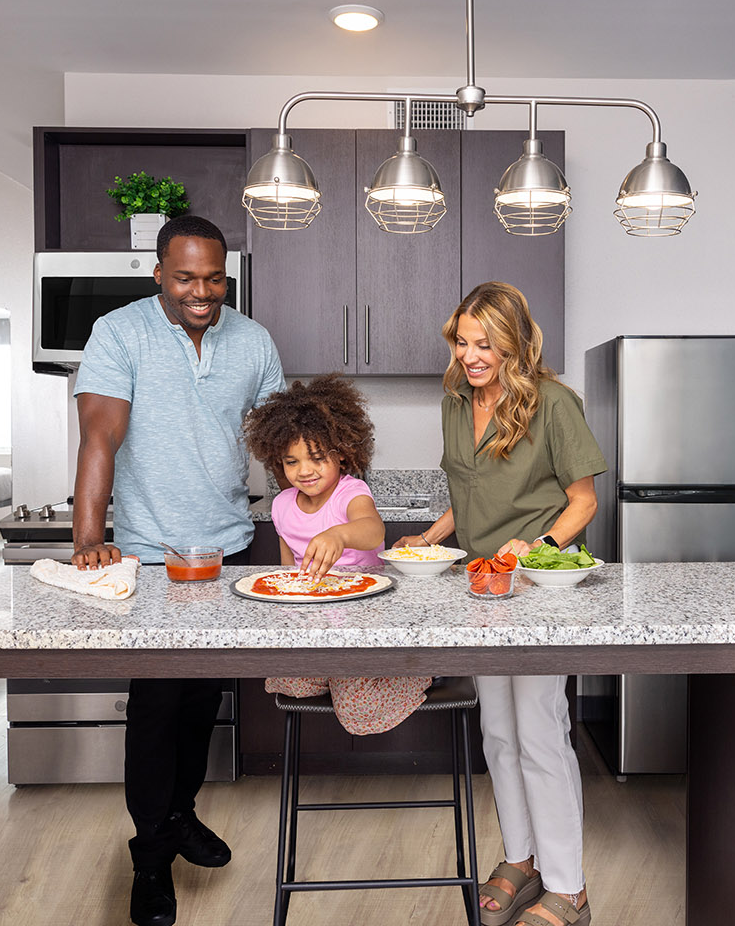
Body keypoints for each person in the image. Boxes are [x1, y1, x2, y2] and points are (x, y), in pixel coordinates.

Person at [71, 214, 284, 926]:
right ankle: (150, 857)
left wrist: (321, 519)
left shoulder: (252, 342)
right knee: (158, 708)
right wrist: (88, 537)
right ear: (158, 271)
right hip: (151, 552)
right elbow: (101, 434)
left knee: (201, 700)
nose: (202, 291)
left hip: (226, 548)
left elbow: (282, 446)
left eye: (215, 278)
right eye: (186, 277)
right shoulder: (120, 332)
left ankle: (179, 813)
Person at [394, 282, 606, 926]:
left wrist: (532, 548)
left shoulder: (554, 404)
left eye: (485, 343)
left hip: (543, 587)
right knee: (498, 730)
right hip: (483, 588)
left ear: (515, 341)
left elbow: (583, 502)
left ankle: (569, 889)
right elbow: (471, 491)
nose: (471, 355)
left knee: (541, 729)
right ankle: (522, 860)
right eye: (462, 341)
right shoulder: (457, 402)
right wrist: (428, 537)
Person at [242, 373, 433, 734]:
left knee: (358, 713)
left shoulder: (351, 492)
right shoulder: (283, 505)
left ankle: (421, 670)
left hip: (364, 625)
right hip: (316, 627)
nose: (305, 471)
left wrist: (339, 534)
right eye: (291, 461)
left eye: (316, 457)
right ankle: (342, 678)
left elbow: (373, 529)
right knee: (285, 680)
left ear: (342, 452)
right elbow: (289, 574)